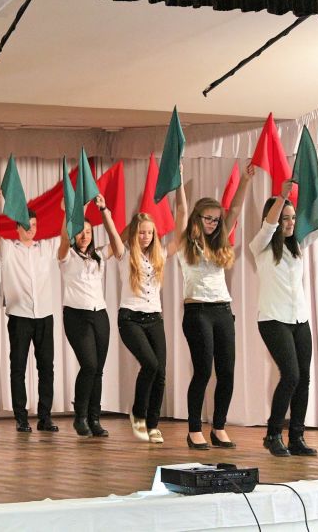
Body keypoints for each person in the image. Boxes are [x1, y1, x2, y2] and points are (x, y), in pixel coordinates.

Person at [250, 178, 318, 457]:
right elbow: (269, 225)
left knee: (304, 378)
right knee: (290, 375)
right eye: (285, 218)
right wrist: (282, 197)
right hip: (273, 320)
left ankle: (297, 438)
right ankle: (273, 434)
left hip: (299, 320)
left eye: (292, 218)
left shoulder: (298, 244)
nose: (290, 223)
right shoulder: (261, 246)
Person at [178, 164, 256, 450]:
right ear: (197, 218)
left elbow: (234, 209)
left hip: (222, 310)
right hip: (197, 311)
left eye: (215, 220)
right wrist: (178, 181)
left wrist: (245, 180)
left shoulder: (218, 242)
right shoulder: (186, 242)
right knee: (203, 371)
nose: (212, 223)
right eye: (208, 218)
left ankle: (219, 427)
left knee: (227, 372)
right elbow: (180, 211)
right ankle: (194, 430)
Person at [113, 186, 185, 444]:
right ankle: (138, 414)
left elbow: (182, 224)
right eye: (141, 232)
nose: (145, 236)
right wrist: (106, 213)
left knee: (161, 372)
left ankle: (153, 425)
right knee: (151, 364)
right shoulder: (125, 255)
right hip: (130, 318)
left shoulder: (160, 255)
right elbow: (113, 236)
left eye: (149, 232)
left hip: (154, 317)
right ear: (135, 233)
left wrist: (180, 188)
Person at [0, 187, 58, 433]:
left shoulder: (46, 248)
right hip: (20, 316)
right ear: (18, 227)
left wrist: (73, 210)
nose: (31, 229)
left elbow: (68, 237)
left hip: (44, 315)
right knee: (18, 368)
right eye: (27, 225)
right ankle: (21, 417)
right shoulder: (9, 249)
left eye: (34, 225)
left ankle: (45, 417)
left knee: (46, 367)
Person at [58, 194, 121, 437]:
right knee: (89, 365)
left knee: (98, 369)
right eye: (80, 232)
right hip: (76, 316)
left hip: (99, 315)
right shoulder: (67, 256)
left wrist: (104, 211)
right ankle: (80, 416)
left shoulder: (98, 256)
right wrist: (74, 213)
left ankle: (95, 418)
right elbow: (64, 239)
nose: (84, 236)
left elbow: (117, 244)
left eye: (88, 232)